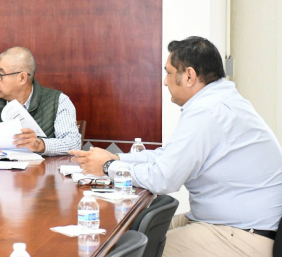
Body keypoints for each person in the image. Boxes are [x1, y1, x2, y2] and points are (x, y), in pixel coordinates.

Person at [70, 36, 282, 257]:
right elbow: (168, 156)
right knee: (130, 233)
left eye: (169, 73)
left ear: (189, 76)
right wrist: (116, 159)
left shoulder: (208, 111)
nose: (165, 81)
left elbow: (163, 179)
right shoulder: (217, 101)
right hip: (232, 225)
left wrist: (107, 167)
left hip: (243, 235)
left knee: (134, 250)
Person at [0, 47, 80, 155]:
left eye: (1, 74)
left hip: (41, 176)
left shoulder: (58, 101)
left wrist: (40, 144)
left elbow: (73, 143)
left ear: (22, 78)